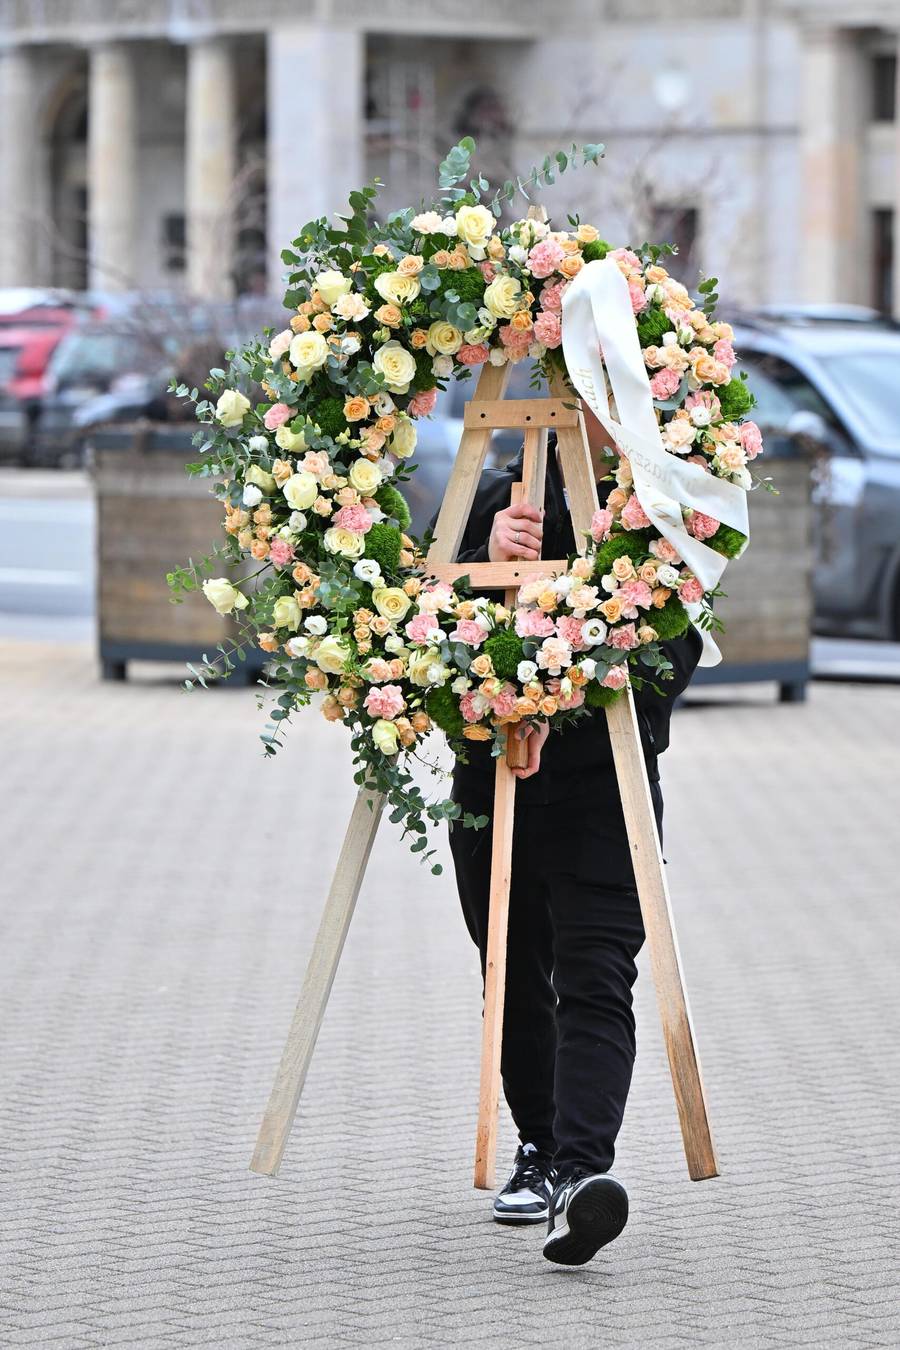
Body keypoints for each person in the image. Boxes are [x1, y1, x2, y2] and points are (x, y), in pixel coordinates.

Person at [443, 404, 702, 1266]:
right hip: (497, 786)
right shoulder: (498, 495)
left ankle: (584, 1174)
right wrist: (485, 560)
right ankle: (539, 1146)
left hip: (606, 789)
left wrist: (565, 694)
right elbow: (430, 631)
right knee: (513, 974)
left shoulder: (664, 508)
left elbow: (677, 653)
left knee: (597, 978)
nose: (586, 409)